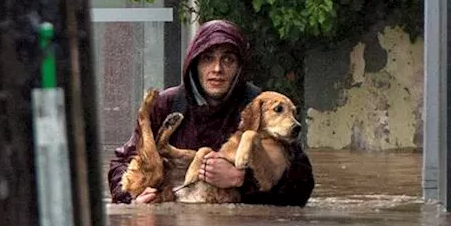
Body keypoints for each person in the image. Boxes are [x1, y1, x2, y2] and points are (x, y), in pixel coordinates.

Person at [107, 19, 315, 205]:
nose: (217, 69)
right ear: (194, 63)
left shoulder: (260, 107)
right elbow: (123, 161)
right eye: (207, 59)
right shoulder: (166, 104)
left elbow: (302, 185)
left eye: (228, 60)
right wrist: (131, 199)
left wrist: (243, 181)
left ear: (239, 67)